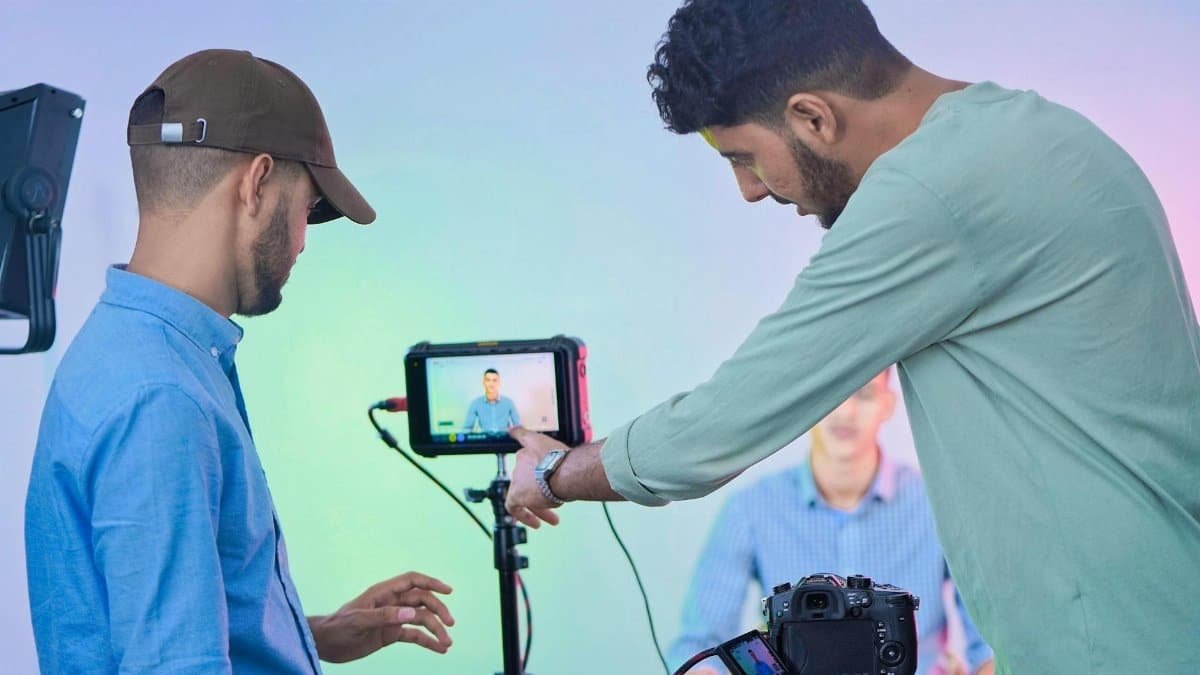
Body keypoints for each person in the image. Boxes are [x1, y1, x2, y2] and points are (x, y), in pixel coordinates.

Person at [502, 2, 1200, 673]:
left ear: (813, 116)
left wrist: (551, 473)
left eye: (743, 156)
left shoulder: (932, 191)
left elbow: (717, 426)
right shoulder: (1036, 132)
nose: (749, 189)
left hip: (1114, 646)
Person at [25, 50, 454, 673]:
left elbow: (152, 624)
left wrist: (305, 636)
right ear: (255, 183)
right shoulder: (162, 397)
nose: (305, 240)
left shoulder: (126, 352)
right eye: (307, 210)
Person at [669, 372, 992, 675]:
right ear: (805, 403)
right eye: (831, 392)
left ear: (887, 404)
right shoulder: (750, 508)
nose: (845, 411)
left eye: (863, 394)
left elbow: (995, 644)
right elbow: (697, 645)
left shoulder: (939, 504)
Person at [462, 368, 521, 432]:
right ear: (483, 383)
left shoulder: (508, 402)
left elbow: (519, 427)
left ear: (499, 383)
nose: (491, 384)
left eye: (494, 380)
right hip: (485, 441)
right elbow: (467, 429)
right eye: (488, 380)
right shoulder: (475, 403)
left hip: (504, 440)